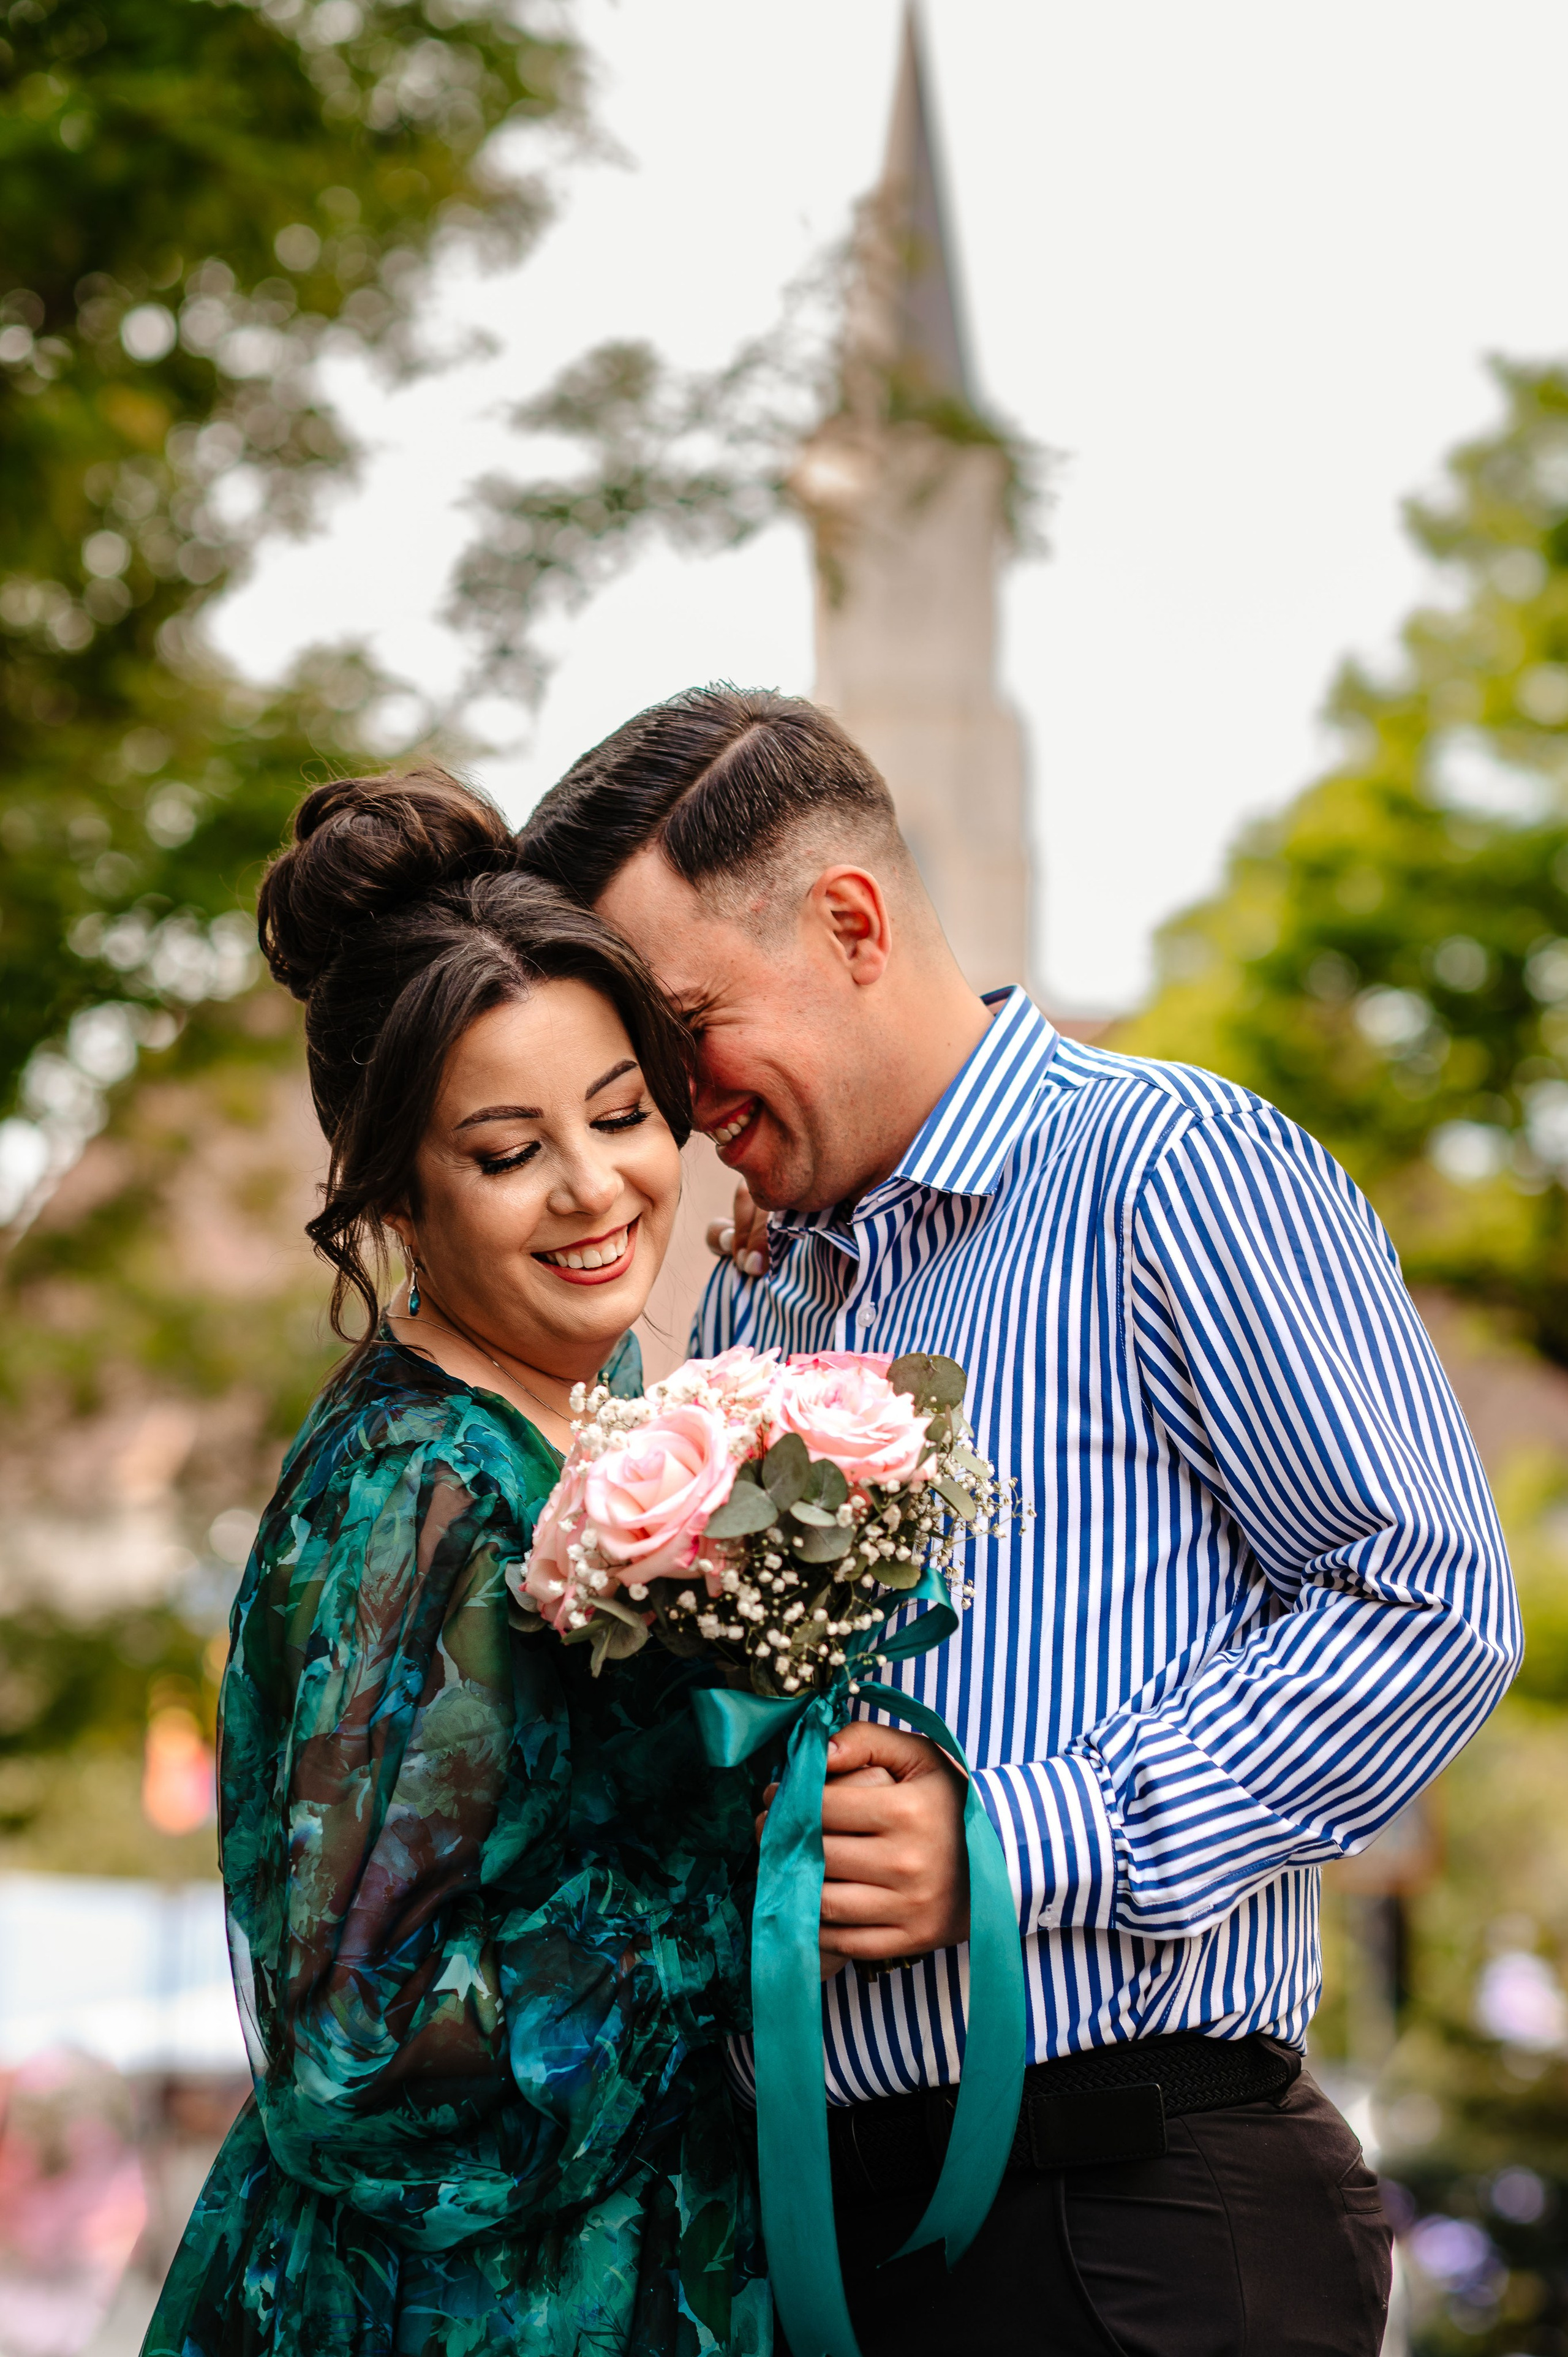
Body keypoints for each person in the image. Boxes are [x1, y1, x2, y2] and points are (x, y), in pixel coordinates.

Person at [520, 685, 1524, 2357]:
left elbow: (1428, 1605)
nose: (682, 1108)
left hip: (1127, 2223)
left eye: (689, 1026)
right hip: (820, 2244)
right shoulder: (759, 1307)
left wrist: (1013, 1842)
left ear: (849, 921)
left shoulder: (1171, 1166)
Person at [144, 770, 772, 2357]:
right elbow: (359, 2057)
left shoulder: (601, 1418)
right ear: (400, 1193)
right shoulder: (414, 1494)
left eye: (622, 1115)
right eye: (508, 1152)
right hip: (461, 2308)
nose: (594, 1189)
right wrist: (754, 1885)